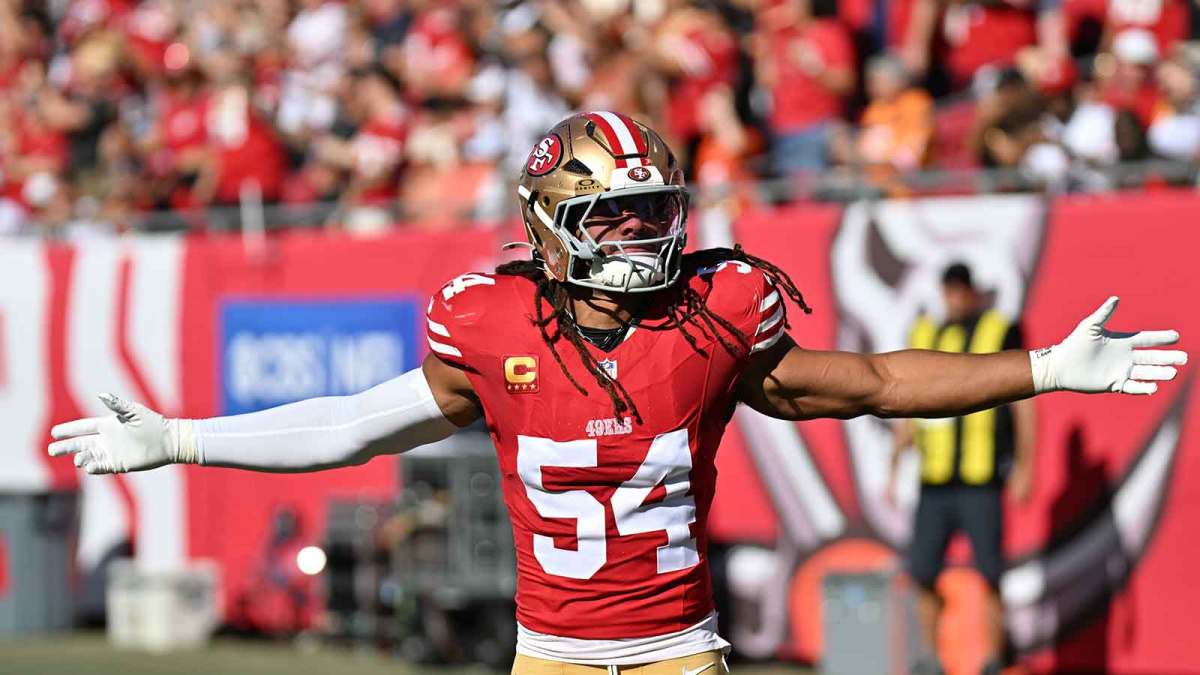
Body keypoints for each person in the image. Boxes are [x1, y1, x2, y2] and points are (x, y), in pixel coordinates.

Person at [47, 112, 1186, 674]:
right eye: (613, 215)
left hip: (676, 653)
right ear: (549, 227)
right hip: (548, 658)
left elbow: (877, 381)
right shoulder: (489, 323)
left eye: (654, 209)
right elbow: (352, 424)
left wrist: (1040, 368)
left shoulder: (719, 312)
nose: (643, 233)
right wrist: (183, 439)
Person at [887, 262, 1035, 675]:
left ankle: (993, 659)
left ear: (972, 292)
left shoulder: (997, 330)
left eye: (958, 291)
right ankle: (931, 660)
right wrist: (894, 462)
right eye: (947, 291)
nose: (953, 300)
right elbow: (908, 406)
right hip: (933, 480)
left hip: (980, 478)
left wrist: (1025, 463)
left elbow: (1024, 402)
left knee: (989, 572)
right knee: (923, 572)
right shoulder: (926, 333)